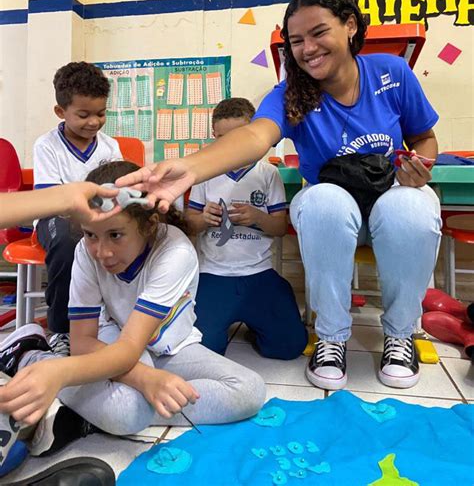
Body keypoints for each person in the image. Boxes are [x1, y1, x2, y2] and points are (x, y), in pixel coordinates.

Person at [116, 0, 442, 391]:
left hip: (388, 205)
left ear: (351, 26)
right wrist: (190, 169)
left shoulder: (391, 74)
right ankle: (331, 336)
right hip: (336, 215)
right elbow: (255, 137)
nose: (308, 48)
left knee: (412, 206)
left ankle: (399, 334)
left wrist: (420, 165)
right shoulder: (292, 93)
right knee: (323, 200)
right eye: (297, 40)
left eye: (319, 32)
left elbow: (424, 136)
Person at [0, 161, 266, 459]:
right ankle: (29, 354)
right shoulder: (84, 254)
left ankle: (95, 412)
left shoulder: (174, 252)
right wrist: (143, 379)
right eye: (90, 235)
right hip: (110, 341)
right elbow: (83, 342)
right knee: (128, 410)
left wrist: (150, 381)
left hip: (169, 348)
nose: (102, 252)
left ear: (150, 224)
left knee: (249, 390)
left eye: (115, 235)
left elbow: (132, 349)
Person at [186, 98, 307, 359]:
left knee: (288, 347)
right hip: (213, 274)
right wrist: (203, 218)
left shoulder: (267, 173)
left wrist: (256, 217)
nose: (230, 147)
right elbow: (189, 224)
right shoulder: (203, 173)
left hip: (259, 273)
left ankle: (256, 325)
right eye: (222, 139)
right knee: (204, 350)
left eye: (238, 138)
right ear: (213, 135)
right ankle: (231, 320)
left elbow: (279, 227)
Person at [34, 61, 121, 353]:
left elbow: (117, 188)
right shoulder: (47, 146)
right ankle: (60, 328)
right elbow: (52, 200)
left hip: (100, 217)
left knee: (132, 236)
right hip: (57, 218)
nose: (94, 122)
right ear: (61, 112)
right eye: (83, 115)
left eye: (101, 113)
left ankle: (119, 318)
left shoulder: (109, 147)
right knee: (70, 242)